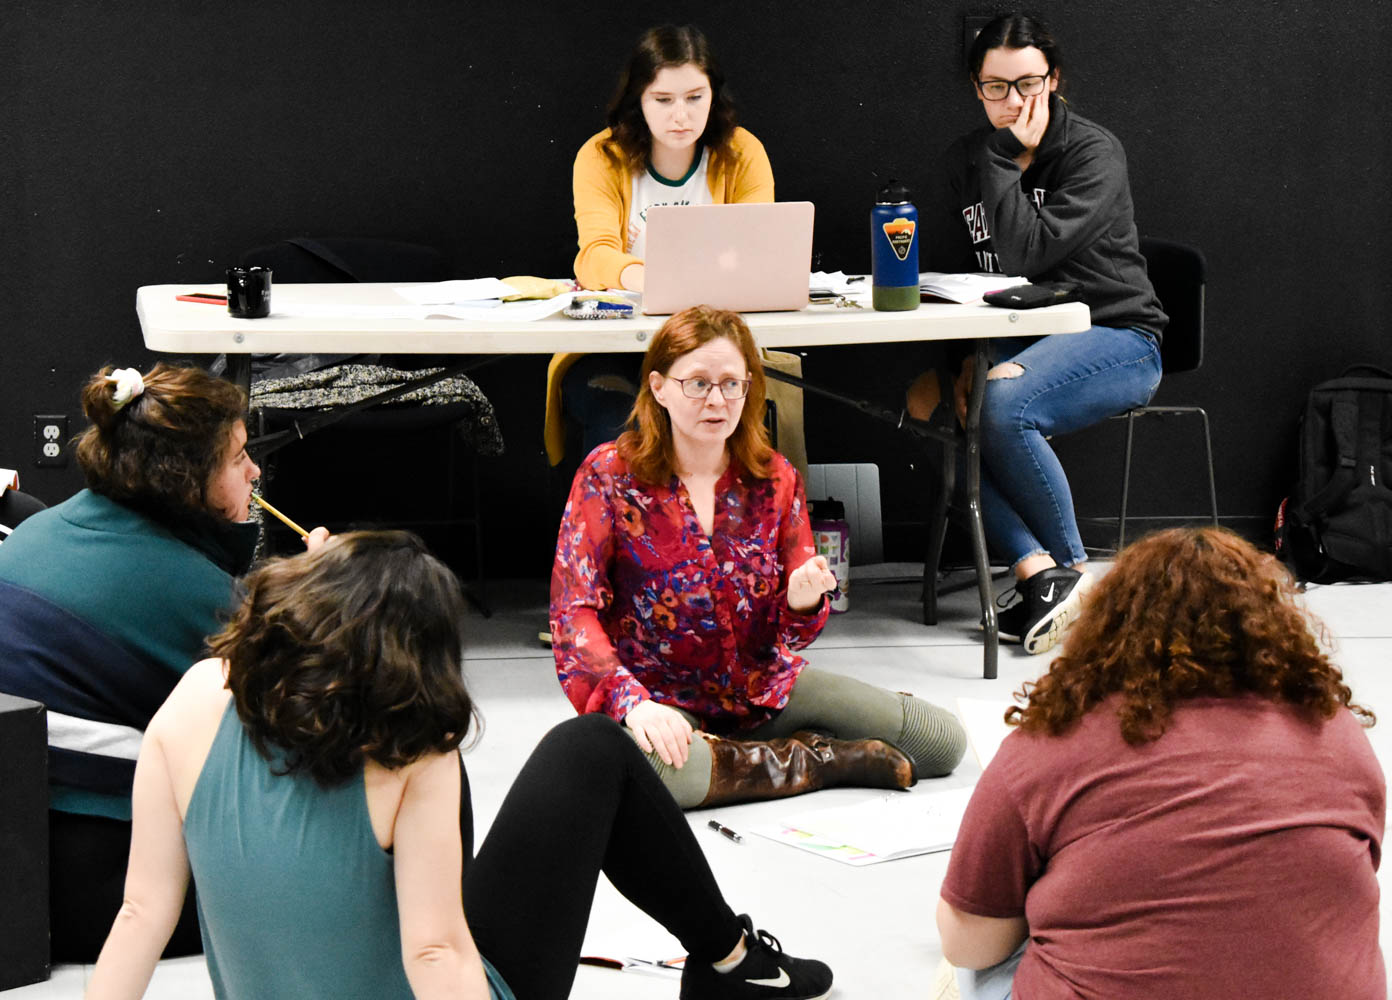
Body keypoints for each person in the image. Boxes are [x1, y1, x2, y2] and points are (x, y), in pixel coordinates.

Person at [85, 531, 834, 1000]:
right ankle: (733, 960)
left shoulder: (186, 705)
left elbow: (141, 913)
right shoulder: (413, 752)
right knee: (593, 748)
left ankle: (730, 960)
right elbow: (434, 951)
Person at [937, 526, 1385, 999]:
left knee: (965, 972)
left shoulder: (1047, 745)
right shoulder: (1337, 735)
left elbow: (969, 944)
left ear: (1108, 628)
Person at [552, 305, 967, 808]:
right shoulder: (609, 474)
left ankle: (741, 756)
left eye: (731, 384)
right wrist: (632, 704)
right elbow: (574, 616)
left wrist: (802, 602)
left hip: (759, 688)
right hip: (659, 696)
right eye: (697, 383)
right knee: (650, 775)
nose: (717, 400)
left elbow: (793, 635)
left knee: (943, 743)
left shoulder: (773, 478)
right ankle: (813, 762)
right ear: (659, 387)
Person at [0, 363, 327, 963]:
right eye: (237, 459)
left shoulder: (44, 525)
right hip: (82, 883)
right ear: (185, 479)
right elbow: (292, 728)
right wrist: (324, 600)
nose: (255, 472)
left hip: (19, 854)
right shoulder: (194, 594)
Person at [906, 12, 1167, 655]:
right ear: (976, 88)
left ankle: (1076, 575)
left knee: (1001, 405)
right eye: (997, 87)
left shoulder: (1090, 152)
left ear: (1054, 80)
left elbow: (1026, 254)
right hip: (1014, 338)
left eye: (1028, 83)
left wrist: (1001, 156)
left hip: (1117, 335)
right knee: (930, 403)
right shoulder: (959, 160)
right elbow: (951, 279)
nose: (1014, 101)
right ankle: (1035, 571)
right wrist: (965, 357)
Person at [545, 23, 808, 474]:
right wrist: (654, 280)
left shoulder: (742, 153)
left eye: (694, 97)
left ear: (714, 96)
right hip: (616, 351)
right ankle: (622, 545)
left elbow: (758, 252)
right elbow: (593, 256)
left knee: (738, 436)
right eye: (662, 100)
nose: (680, 116)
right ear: (638, 101)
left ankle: (727, 545)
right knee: (620, 432)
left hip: (718, 348)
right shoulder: (602, 156)